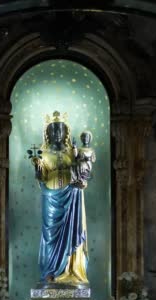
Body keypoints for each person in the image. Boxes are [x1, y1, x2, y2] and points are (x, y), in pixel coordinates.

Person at [30, 111, 92, 286]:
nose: (57, 133)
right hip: (51, 198)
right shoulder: (42, 152)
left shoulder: (73, 152)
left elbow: (83, 171)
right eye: (53, 130)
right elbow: (41, 177)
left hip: (72, 195)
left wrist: (81, 180)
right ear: (47, 133)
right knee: (51, 235)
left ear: (66, 133)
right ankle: (50, 272)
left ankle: (71, 272)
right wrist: (37, 167)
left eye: (60, 130)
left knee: (72, 231)